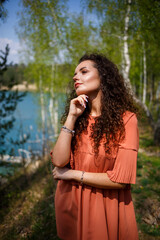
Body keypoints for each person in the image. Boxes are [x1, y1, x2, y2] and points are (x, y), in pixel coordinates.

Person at [50, 53, 139, 240]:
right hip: (71, 206)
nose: (75, 77)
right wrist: (72, 117)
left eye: (83, 71)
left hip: (106, 208)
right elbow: (58, 160)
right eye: (75, 74)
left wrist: (72, 174)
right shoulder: (78, 119)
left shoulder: (127, 120)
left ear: (104, 76)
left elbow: (121, 180)